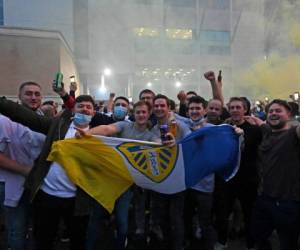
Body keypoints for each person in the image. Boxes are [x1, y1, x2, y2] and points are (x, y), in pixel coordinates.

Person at [0, 95, 97, 250]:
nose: (84, 109)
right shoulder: (57, 126)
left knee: (78, 240)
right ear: (73, 110)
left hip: (77, 201)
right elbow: (24, 116)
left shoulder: (99, 136)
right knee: (44, 239)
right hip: (47, 195)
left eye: (88, 107)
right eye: (80, 106)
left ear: (93, 113)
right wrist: (2, 102)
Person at [76, 101, 171, 250]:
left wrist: (167, 142)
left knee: (122, 223)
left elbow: (159, 143)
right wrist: (88, 133)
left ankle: (120, 245)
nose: (140, 115)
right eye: (138, 112)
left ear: (148, 114)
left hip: (126, 185)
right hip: (107, 181)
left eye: (143, 112)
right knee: (96, 219)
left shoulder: (150, 135)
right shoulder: (124, 126)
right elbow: (107, 129)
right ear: (134, 114)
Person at [248, 99, 300, 250]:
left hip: (288, 201)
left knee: (288, 243)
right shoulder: (267, 132)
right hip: (264, 198)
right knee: (258, 235)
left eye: (278, 111)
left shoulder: (293, 134)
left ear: (289, 114)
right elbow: (262, 124)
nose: (274, 114)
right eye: (271, 111)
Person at [214, 97, 262, 250]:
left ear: (245, 110)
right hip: (227, 178)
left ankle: (251, 243)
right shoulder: (222, 128)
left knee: (249, 214)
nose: (234, 110)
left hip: (248, 179)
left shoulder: (255, 130)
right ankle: (222, 241)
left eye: (238, 107)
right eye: (232, 107)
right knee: (222, 213)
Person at [149, 94, 190, 250]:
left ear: (169, 108)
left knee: (176, 218)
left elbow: (191, 142)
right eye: (156, 106)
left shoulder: (179, 125)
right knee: (162, 217)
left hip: (178, 179)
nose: (159, 108)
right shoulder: (153, 128)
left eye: (162, 105)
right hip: (160, 179)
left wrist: (177, 144)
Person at [0, 115, 45, 250]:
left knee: (33, 227)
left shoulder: (41, 120)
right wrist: (25, 170)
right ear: (20, 96)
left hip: (36, 186)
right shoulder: (4, 121)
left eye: (37, 93)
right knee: (17, 228)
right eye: (28, 93)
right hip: (12, 183)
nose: (33, 97)